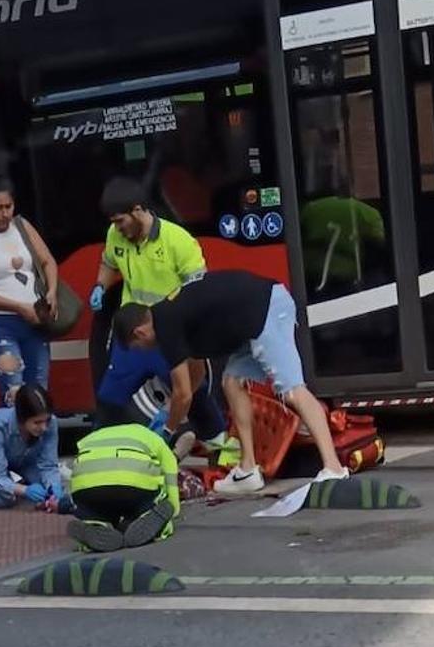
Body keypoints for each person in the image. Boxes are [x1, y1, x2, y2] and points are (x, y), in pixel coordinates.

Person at [113, 270, 348, 496]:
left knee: (292, 391)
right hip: (251, 319)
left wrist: (167, 430)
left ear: (140, 333)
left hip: (267, 309)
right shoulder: (172, 315)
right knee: (231, 383)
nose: (144, 351)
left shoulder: (165, 326)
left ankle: (333, 468)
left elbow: (182, 393)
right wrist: (170, 413)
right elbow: (195, 376)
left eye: (138, 347)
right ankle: (247, 471)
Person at [88, 177, 228, 446]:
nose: (116, 228)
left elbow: (200, 289)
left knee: (192, 392)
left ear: (137, 210)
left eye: (120, 221)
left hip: (169, 332)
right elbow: (108, 262)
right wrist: (99, 286)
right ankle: (96, 449)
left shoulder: (178, 241)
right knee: (109, 396)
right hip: (133, 333)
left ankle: (220, 444)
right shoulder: (115, 235)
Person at [0, 172, 59, 405]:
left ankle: (40, 439)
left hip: (34, 321)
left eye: (9, 206)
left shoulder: (22, 226)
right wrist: (17, 307)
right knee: (14, 391)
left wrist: (52, 292)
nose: (5, 213)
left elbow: (47, 261)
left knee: (39, 391)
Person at [67, 423, 180, 552]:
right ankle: (149, 519)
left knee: (97, 509)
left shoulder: (91, 437)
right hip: (133, 487)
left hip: (86, 488)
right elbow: (170, 467)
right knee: (149, 494)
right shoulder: (151, 436)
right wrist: (172, 506)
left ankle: (95, 524)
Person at [0, 383, 65, 509]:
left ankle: (19, 484)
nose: (44, 427)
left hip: (27, 461)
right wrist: (25, 490)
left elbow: (48, 464)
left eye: (47, 421)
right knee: (0, 499)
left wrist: (54, 487)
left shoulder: (51, 423)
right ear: (21, 418)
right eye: (37, 422)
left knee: (49, 491)